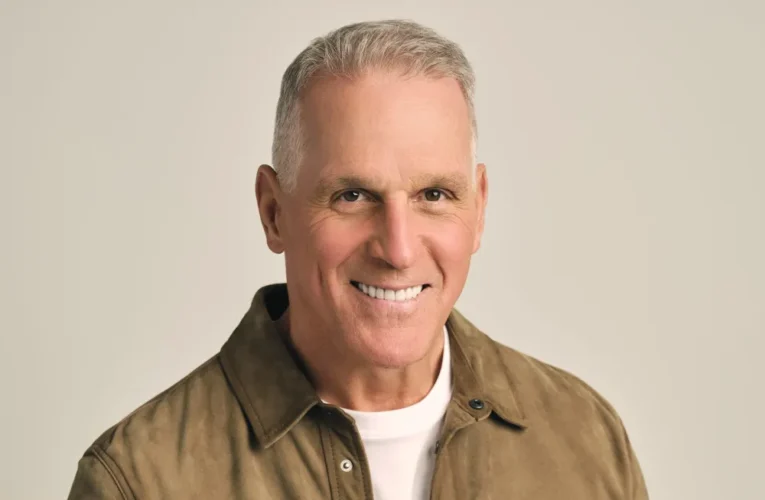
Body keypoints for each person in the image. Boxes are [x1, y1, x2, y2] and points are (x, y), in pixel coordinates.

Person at [68, 19, 648, 500]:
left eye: (434, 195)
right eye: (352, 196)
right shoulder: (139, 481)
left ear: (478, 210)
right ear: (274, 212)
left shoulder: (584, 436)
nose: (398, 249)